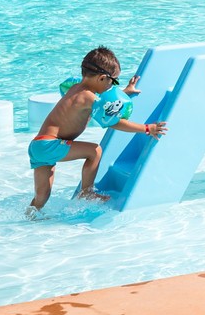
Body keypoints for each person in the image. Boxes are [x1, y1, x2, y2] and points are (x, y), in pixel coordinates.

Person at [26, 46, 167, 216]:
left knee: (41, 197)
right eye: (113, 81)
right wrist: (146, 128)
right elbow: (113, 122)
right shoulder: (89, 97)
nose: (112, 87)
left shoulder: (77, 89)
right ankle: (87, 192)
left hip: (38, 146)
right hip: (51, 145)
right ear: (101, 78)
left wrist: (125, 93)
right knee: (95, 151)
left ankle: (29, 218)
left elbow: (104, 105)